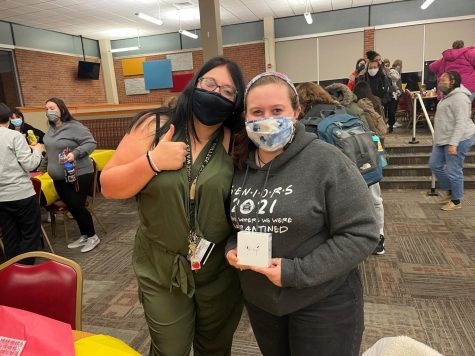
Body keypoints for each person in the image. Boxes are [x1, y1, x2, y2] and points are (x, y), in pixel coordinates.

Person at [226, 71, 379, 356]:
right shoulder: (238, 165)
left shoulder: (327, 161)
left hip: (322, 301)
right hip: (263, 302)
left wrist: (296, 272)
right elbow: (234, 225)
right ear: (245, 117)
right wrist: (233, 247)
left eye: (277, 110)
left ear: (296, 112)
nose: (267, 119)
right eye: (257, 112)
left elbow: (362, 233)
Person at [100, 56, 245, 356]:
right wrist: (153, 162)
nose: (216, 93)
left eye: (228, 91)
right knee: (171, 349)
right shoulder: (154, 126)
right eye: (210, 83)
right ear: (195, 83)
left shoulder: (238, 141)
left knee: (215, 348)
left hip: (217, 268)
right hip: (160, 266)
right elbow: (109, 187)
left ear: (235, 102)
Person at [43, 98, 99, 252]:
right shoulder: (51, 129)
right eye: (46, 108)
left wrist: (75, 153)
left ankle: (93, 236)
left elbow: (90, 143)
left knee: (77, 206)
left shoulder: (75, 127)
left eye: (52, 108)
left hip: (78, 174)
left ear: (61, 109)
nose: (49, 111)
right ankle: (84, 235)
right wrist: (43, 165)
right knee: (72, 207)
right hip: (58, 176)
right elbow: (51, 151)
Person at [0, 103, 44, 264]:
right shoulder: (14, 136)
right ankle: (25, 270)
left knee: (10, 236)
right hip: (21, 194)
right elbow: (30, 165)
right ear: (8, 119)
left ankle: (13, 270)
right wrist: (37, 149)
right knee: (30, 234)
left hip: (1, 198)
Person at [429, 71, 475, 211]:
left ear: (453, 81)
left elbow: (461, 122)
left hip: (459, 138)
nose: (440, 82)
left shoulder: (460, 98)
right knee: (435, 164)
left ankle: (456, 200)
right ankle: (451, 191)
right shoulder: (447, 96)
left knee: (453, 170)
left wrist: (454, 143)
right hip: (444, 138)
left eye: (444, 80)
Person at [353, 80, 387, 254]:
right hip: (376, 149)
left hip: (362, 154)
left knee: (369, 197)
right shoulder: (376, 102)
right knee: (376, 197)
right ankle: (379, 236)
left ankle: (370, 236)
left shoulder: (356, 108)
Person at [388, 59, 404, 129]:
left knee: (393, 110)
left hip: (394, 94)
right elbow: (394, 84)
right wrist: (398, 91)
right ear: (398, 65)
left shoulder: (393, 71)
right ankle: (391, 123)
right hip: (394, 94)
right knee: (392, 110)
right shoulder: (394, 72)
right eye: (401, 65)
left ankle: (392, 122)